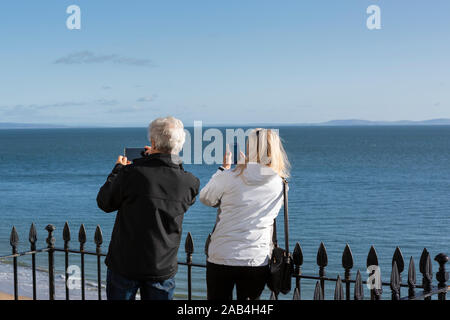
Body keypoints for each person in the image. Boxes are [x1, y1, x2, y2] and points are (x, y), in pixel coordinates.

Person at [97, 116, 200, 300]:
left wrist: (118, 170)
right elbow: (177, 184)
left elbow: (104, 202)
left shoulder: (130, 174)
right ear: (179, 145)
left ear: (152, 142)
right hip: (162, 268)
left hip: (125, 265)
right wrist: (167, 160)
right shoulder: (190, 183)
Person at [200, 128, 290, 300]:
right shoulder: (281, 185)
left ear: (250, 148)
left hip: (222, 255)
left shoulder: (229, 176)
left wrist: (224, 169)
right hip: (255, 258)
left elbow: (206, 198)